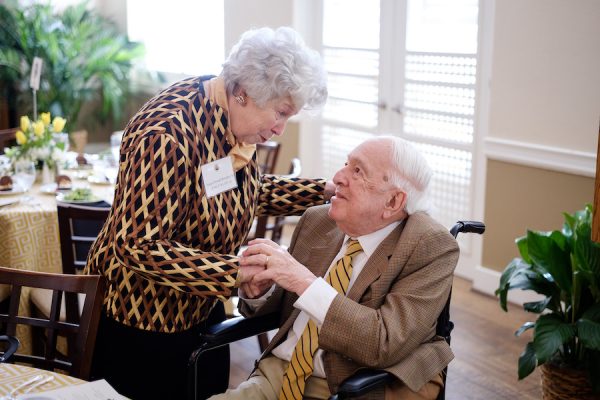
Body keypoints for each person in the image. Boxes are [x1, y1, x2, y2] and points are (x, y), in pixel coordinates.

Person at [85, 26, 331, 400]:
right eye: (280, 113)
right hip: (142, 319)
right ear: (244, 92)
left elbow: (249, 190)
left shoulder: (226, 114)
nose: (280, 129)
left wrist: (321, 192)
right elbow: (137, 246)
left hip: (198, 303)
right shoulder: (168, 135)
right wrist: (234, 273)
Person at [212, 136, 460, 400]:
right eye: (346, 164)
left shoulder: (430, 246)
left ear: (393, 202)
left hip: (357, 386)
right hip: (281, 372)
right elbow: (282, 306)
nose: (338, 177)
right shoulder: (317, 221)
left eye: (358, 171)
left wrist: (303, 281)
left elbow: (382, 342)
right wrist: (259, 291)